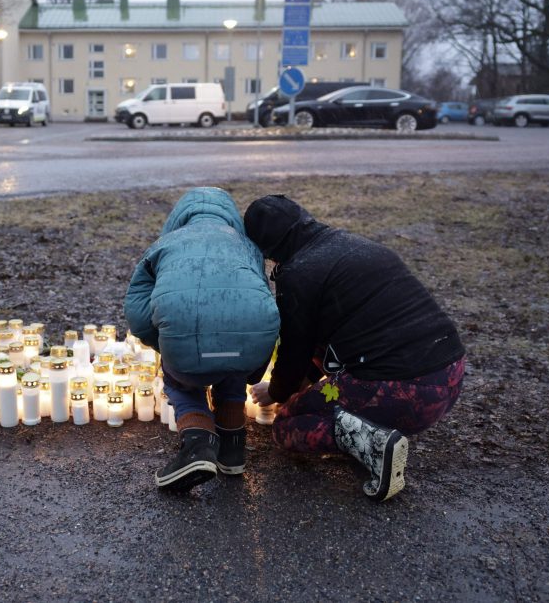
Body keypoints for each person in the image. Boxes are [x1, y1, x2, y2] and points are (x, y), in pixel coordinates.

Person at [243, 195, 465, 501]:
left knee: (287, 425)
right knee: (317, 390)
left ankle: (373, 444)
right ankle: (369, 430)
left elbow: (295, 350)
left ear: (266, 248)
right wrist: (300, 385)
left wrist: (279, 393)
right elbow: (314, 346)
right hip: (450, 373)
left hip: (405, 391)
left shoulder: (299, 273)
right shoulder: (350, 244)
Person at [125, 187, 280, 491]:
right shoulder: (248, 247)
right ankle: (232, 448)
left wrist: (166, 346)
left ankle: (198, 446)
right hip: (248, 353)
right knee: (232, 364)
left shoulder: (163, 245)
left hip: (186, 354)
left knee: (180, 382)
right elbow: (259, 300)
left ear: (179, 217)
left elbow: (137, 313)